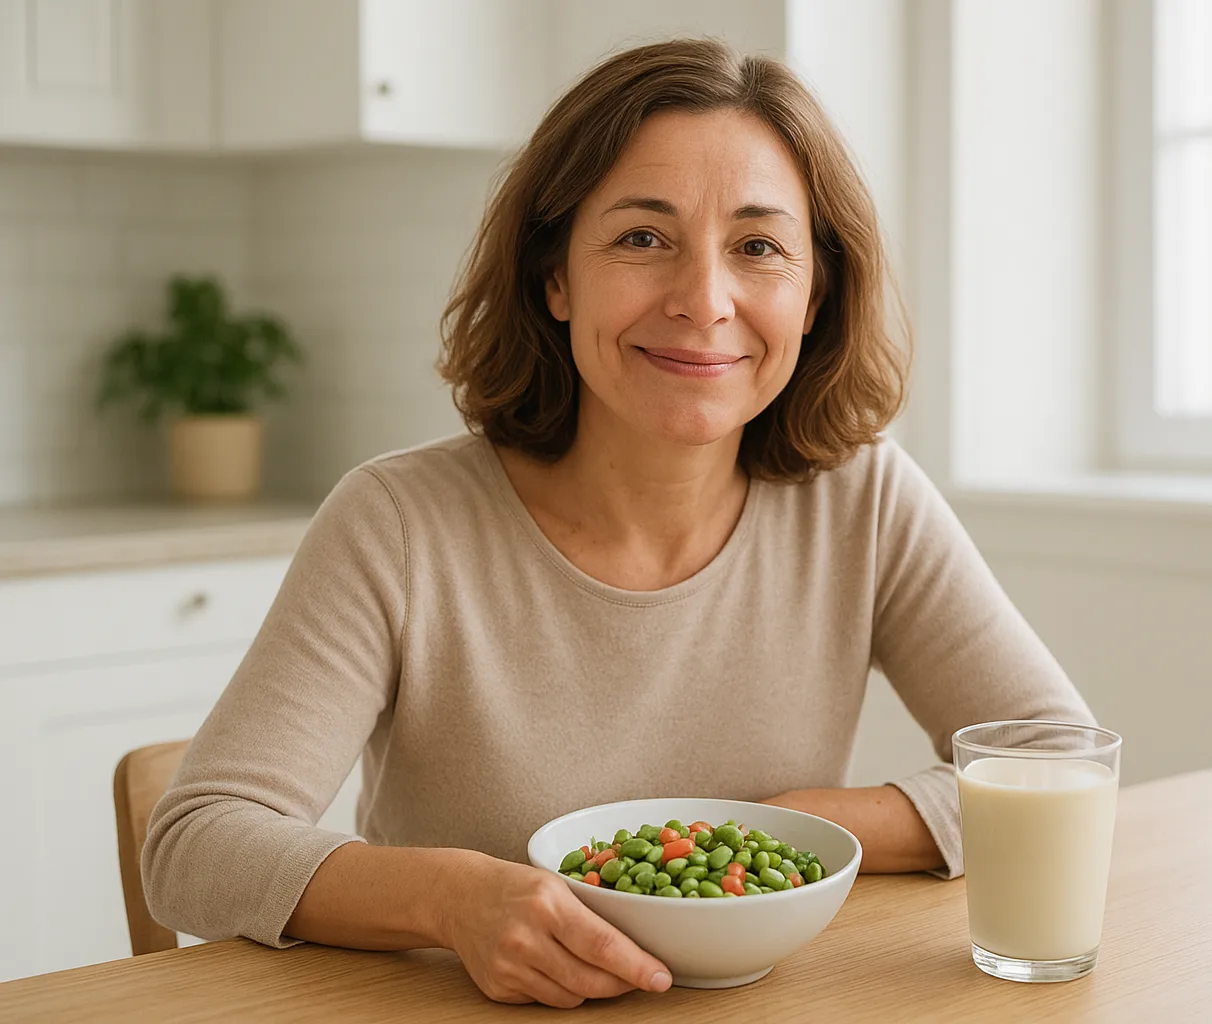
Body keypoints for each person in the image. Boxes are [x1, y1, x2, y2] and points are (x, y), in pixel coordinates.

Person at [142, 38, 1092, 1009]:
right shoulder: (399, 522)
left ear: (814, 297)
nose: (704, 301)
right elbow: (196, 845)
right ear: (555, 276)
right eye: (643, 238)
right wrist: (453, 897)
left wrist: (793, 826)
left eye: (758, 247)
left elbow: (1057, 758)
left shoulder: (864, 499)